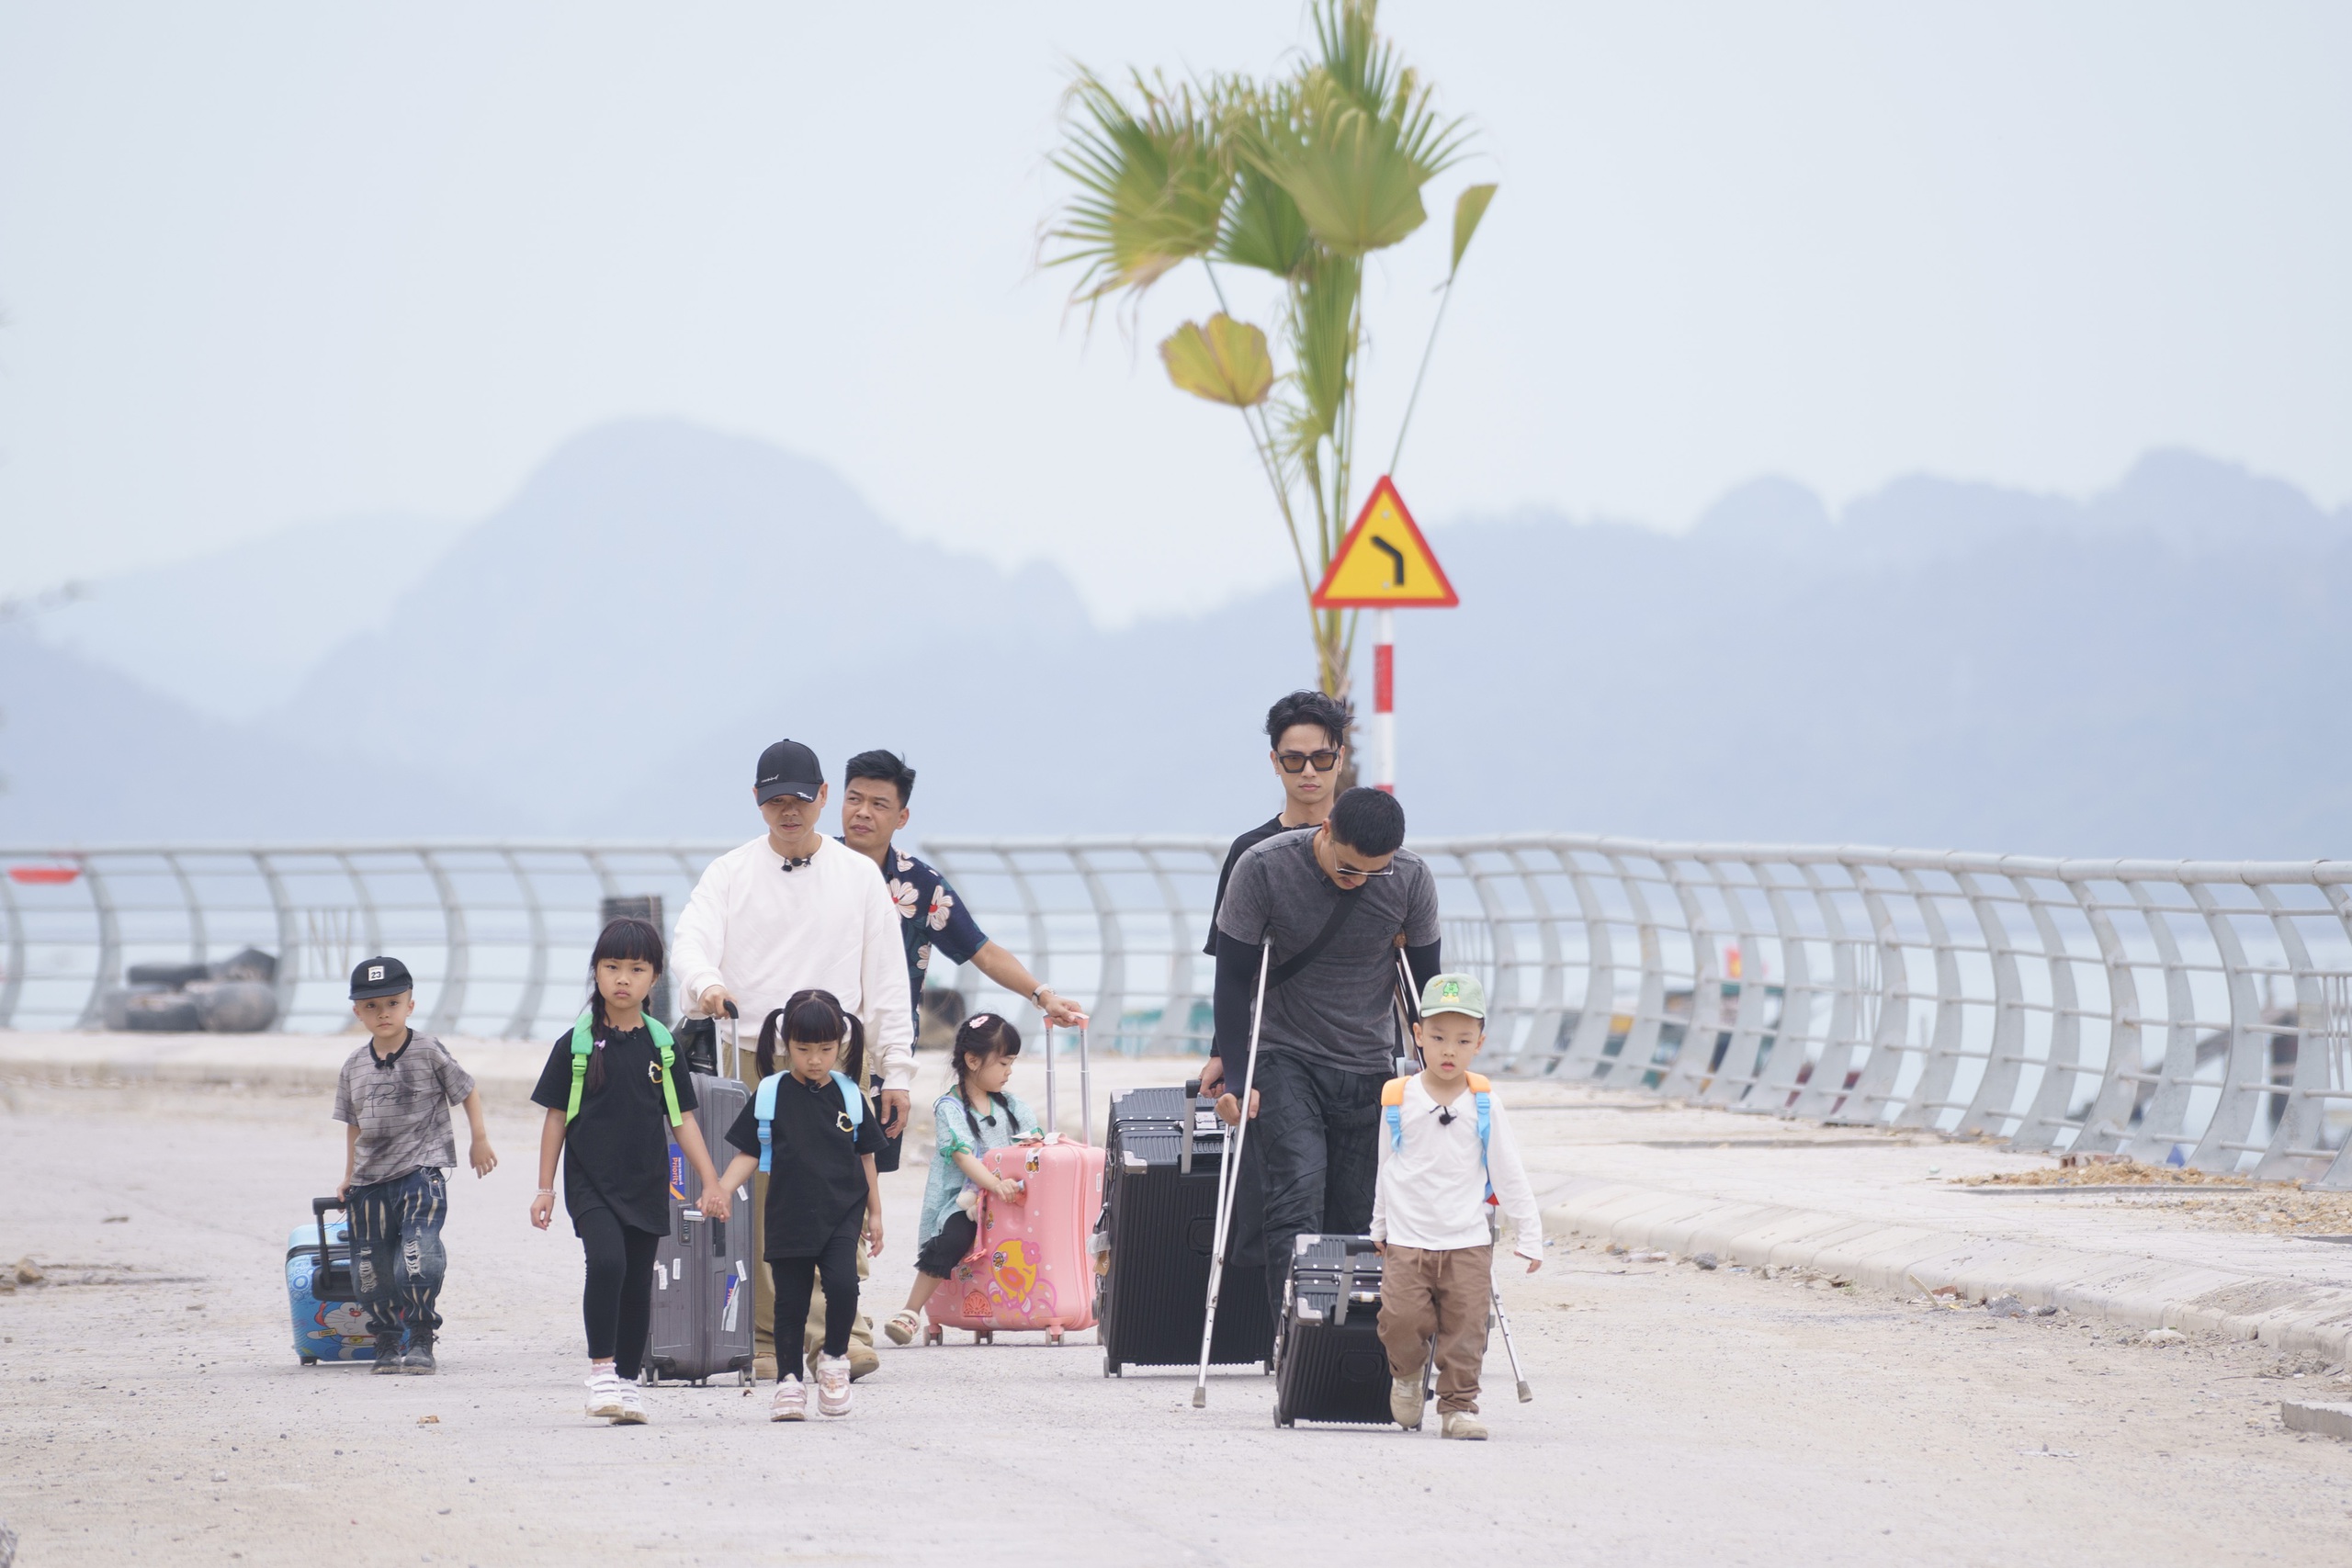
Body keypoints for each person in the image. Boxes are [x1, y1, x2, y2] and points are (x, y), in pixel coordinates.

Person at [672, 738, 914, 1382]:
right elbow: (690, 939)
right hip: (756, 1054)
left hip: (840, 1058)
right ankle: (768, 1338)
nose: (788, 811)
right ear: (757, 801)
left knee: (842, 1193)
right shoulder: (729, 872)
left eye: (799, 800)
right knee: (767, 1203)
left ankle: (845, 1331)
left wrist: (897, 1070)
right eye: (775, 799)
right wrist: (707, 986)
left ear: (822, 799)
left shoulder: (860, 876)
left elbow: (889, 982)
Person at [1206, 786, 1441, 1325]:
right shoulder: (1263, 867)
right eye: (1349, 867)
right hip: (1284, 1053)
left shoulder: (1409, 878)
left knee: (1358, 1217)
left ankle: (1344, 1343)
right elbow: (1233, 980)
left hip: (1367, 1062)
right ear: (1328, 830)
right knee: (1297, 1192)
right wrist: (1240, 1079)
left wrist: (1441, 1076)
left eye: (1373, 872)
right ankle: (1292, 1341)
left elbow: (1427, 986)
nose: (1358, 880)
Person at [527, 918, 725, 1425]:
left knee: (639, 1281)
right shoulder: (576, 1043)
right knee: (608, 1263)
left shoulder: (662, 1046)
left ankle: (629, 1383)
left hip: (646, 1179)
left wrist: (711, 1181)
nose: (622, 978)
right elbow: (556, 1119)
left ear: (654, 978)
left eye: (636, 969)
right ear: (595, 972)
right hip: (589, 1180)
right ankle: (601, 1372)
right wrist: (545, 1187)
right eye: (611, 967)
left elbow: (683, 1123)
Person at [1371, 973, 1544, 1440]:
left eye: (1463, 1040)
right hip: (1408, 1239)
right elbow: (1387, 1166)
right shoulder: (1398, 1098)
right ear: (1418, 1035)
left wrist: (1530, 1234)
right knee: (1401, 1319)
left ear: (1479, 1043)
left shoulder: (1485, 1104)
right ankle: (1407, 1375)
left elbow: (1508, 1173)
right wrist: (1379, 1224)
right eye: (1440, 1038)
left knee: (1466, 1332)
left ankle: (1458, 1407)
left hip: (1467, 1240)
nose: (1450, 1050)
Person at [708, 990, 887, 1421]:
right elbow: (749, 1152)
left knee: (843, 1284)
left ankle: (834, 1362)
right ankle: (789, 1382)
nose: (814, 1060)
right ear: (786, 1045)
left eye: (825, 1050)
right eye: (803, 1049)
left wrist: (876, 1212)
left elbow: (867, 1157)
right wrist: (723, 1189)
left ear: (839, 1047)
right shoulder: (770, 1093)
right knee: (790, 1301)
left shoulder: (849, 1096)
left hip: (843, 1209)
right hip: (788, 1210)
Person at [839, 748, 1088, 1032]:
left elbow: (984, 952)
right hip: (807, 1040)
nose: (863, 812)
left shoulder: (920, 886)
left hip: (885, 1047)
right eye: (854, 799)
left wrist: (1045, 997)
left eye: (879, 804)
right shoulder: (811, 866)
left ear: (902, 817)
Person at [333, 954, 495, 1376]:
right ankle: (386, 1339)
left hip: (421, 1174)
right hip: (369, 1181)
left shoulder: (427, 1050)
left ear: (410, 1004)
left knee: (418, 1257)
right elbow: (354, 1125)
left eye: (391, 1003)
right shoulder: (352, 1066)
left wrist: (479, 1139)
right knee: (370, 1267)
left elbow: (466, 1090)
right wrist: (348, 1176)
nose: (382, 1013)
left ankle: (421, 1335)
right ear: (357, 1012)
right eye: (371, 1006)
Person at [884, 1012, 1041, 1345]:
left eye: (1011, 1063)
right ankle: (911, 1311)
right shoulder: (950, 1108)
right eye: (1002, 1063)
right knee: (954, 1236)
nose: (1009, 1072)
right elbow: (961, 1154)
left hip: (1012, 1195)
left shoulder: (1013, 1106)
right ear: (972, 1060)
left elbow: (1034, 1145)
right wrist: (992, 1183)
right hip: (964, 1199)